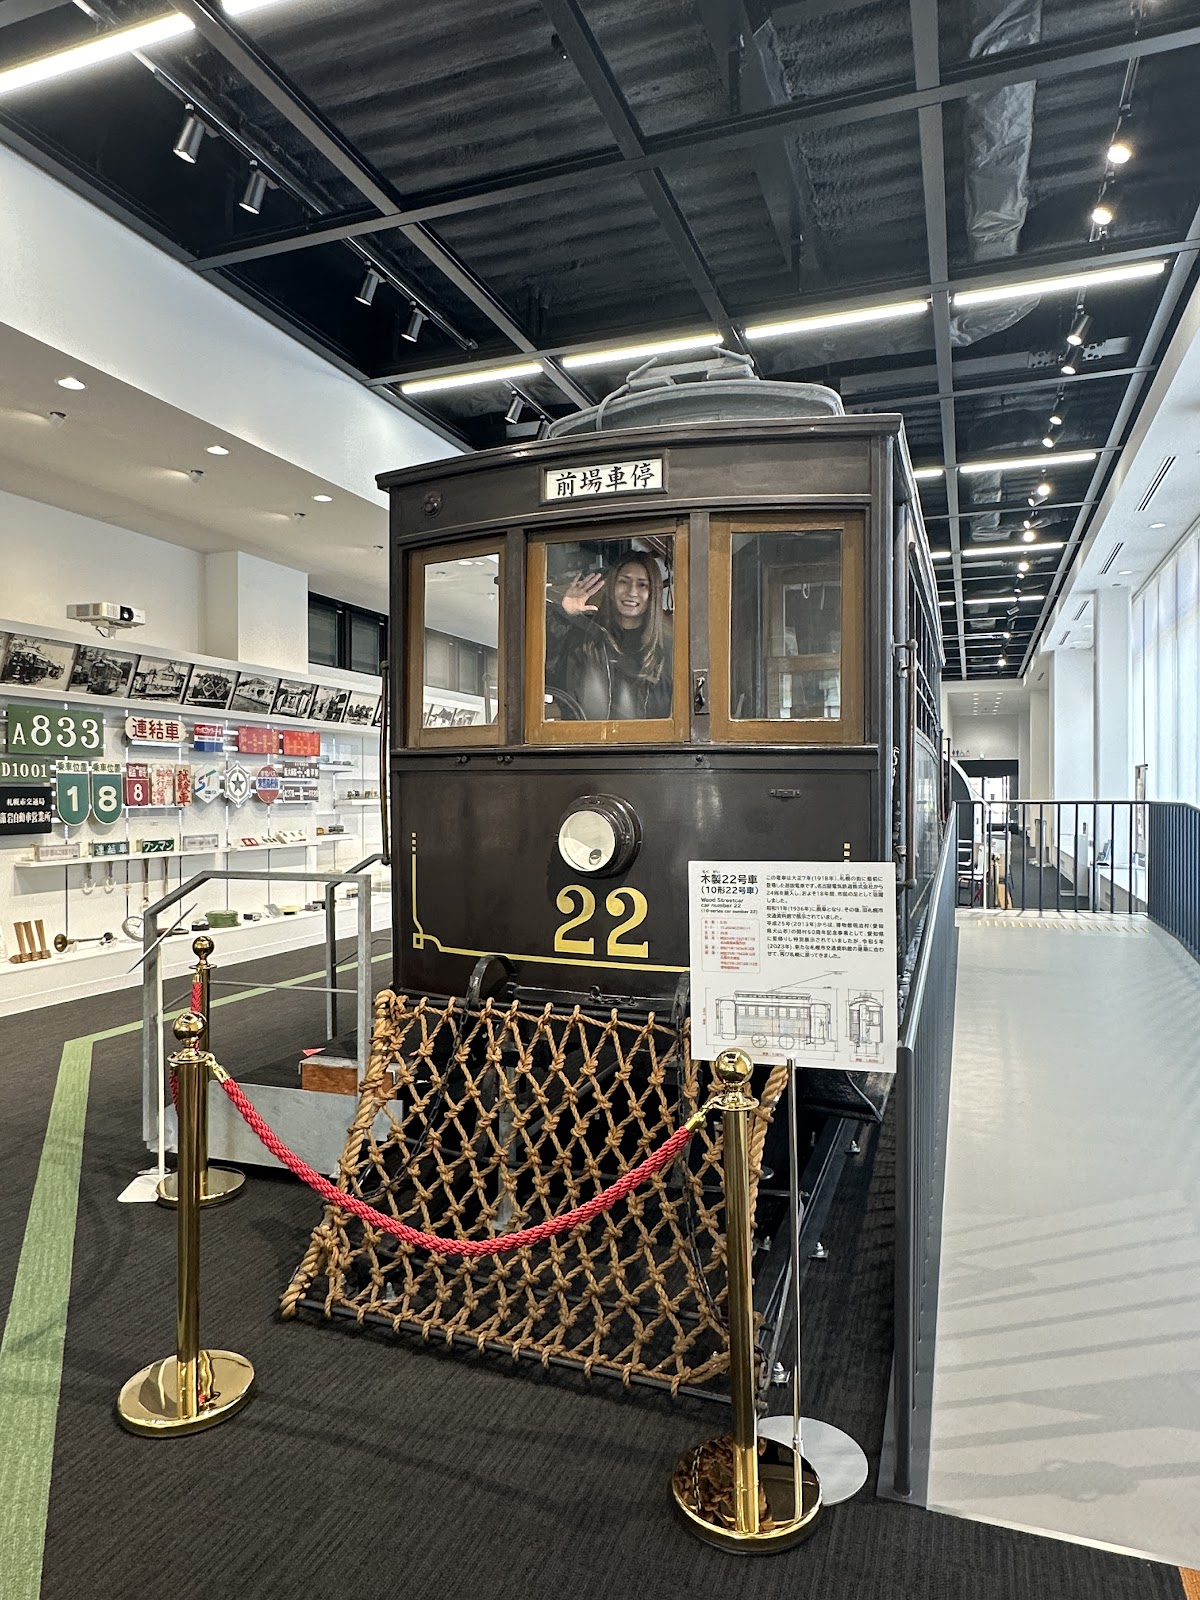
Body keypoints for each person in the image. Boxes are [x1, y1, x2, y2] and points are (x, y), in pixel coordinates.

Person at [545, 553, 673, 720]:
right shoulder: (586, 637)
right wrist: (565, 615)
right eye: (623, 582)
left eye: (642, 585)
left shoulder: (665, 652)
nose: (632, 592)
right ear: (612, 587)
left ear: (653, 594)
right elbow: (546, 673)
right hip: (585, 736)